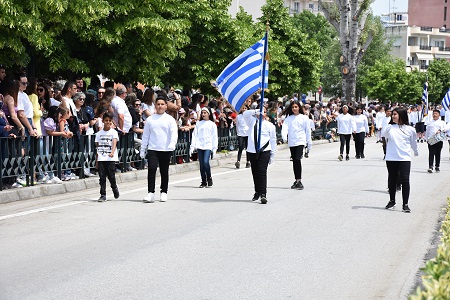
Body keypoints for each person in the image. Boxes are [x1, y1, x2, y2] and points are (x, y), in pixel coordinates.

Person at [140, 92, 178, 203]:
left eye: (162, 104)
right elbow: (146, 135)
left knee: (164, 171)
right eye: (158, 104)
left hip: (165, 149)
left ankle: (164, 191)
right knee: (151, 169)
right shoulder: (151, 119)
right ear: (155, 105)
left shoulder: (170, 119)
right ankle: (151, 193)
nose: (160, 106)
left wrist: (172, 144)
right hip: (153, 149)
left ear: (166, 106)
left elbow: (173, 133)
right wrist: (143, 149)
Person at [382, 107, 419, 213]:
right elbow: (384, 135)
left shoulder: (410, 129)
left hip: (404, 158)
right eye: (392, 114)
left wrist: (416, 151)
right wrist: (388, 126)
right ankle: (392, 200)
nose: (393, 116)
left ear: (401, 115)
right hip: (391, 158)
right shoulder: (390, 127)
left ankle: (405, 204)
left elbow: (413, 142)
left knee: (405, 180)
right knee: (392, 179)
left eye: (395, 114)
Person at [243, 105, 277, 204]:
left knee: (262, 171)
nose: (262, 113)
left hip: (265, 150)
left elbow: (273, 140)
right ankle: (257, 191)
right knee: (255, 172)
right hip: (252, 150)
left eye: (264, 112)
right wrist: (256, 111)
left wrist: (272, 154)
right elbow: (245, 114)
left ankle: (263, 194)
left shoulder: (270, 125)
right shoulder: (252, 122)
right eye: (261, 111)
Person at [281, 100, 312, 190]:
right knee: (295, 160)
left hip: (300, 141)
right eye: (293, 107)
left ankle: (299, 180)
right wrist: (284, 137)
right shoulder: (288, 119)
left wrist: (308, 142)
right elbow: (284, 128)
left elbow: (307, 130)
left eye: (296, 107)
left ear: (299, 108)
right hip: (292, 141)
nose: (294, 109)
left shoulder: (304, 118)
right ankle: (297, 180)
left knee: (297, 159)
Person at [189, 107, 218, 188]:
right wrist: (192, 146)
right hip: (200, 145)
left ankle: (209, 176)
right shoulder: (199, 123)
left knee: (206, 162)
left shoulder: (212, 124)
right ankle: (203, 181)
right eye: (202, 113)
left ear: (209, 114)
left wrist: (214, 148)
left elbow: (214, 136)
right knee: (201, 164)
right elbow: (194, 135)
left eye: (205, 113)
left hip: (208, 145)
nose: (203, 114)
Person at [95, 112, 120, 202]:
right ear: (103, 121)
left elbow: (114, 143)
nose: (108, 122)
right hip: (102, 157)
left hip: (110, 158)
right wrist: (97, 160)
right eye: (106, 121)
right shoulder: (98, 134)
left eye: (110, 121)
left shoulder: (114, 132)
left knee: (111, 176)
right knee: (102, 177)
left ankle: (114, 187)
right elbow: (97, 148)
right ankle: (103, 194)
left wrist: (112, 152)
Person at [235, 104, 250, 169]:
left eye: (245, 108)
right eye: (243, 108)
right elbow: (237, 125)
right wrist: (238, 132)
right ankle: (238, 161)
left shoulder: (249, 116)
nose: (244, 109)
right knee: (240, 147)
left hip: (247, 133)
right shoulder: (239, 116)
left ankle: (248, 161)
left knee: (248, 148)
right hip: (241, 133)